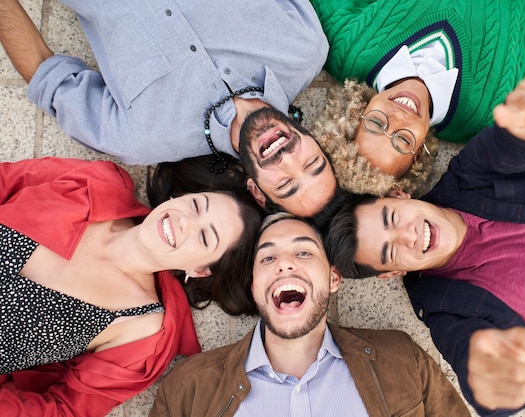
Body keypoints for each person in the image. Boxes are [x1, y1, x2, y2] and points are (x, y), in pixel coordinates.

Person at [324, 72, 525, 415]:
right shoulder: (446, 311)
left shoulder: (470, 177)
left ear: (400, 194)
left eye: (393, 218)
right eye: (391, 251)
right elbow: (467, 352)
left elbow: (508, 143)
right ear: (392, 273)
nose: (408, 235)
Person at [0, 0, 338, 217]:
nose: (288, 158)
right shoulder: (305, 46)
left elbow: (46, 72)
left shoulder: (143, 138)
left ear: (256, 191)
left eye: (286, 184)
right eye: (312, 162)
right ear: (318, 141)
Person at [0, 155, 262, 416]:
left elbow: (66, 409)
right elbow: (6, 180)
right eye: (196, 205)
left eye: (205, 237)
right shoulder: (99, 183)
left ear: (200, 270)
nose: (185, 222)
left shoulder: (141, 330)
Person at [149, 213, 471, 417]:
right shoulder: (186, 389)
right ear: (252, 286)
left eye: (303, 252)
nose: (284, 264)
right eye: (267, 257)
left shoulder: (402, 359)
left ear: (333, 278)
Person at [309, 0, 525, 196]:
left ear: (357, 111)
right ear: (419, 152)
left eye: (376, 123)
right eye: (403, 141)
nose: (399, 117)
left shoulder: (347, 48)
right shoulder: (488, 115)